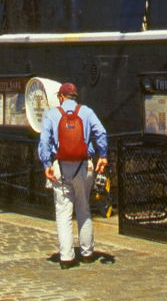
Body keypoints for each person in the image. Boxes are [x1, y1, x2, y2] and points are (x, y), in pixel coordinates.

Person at [38, 82, 108, 268]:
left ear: (61, 97)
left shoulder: (52, 114)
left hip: (60, 166)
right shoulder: (86, 112)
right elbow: (101, 132)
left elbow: (44, 141)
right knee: (84, 209)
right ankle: (87, 253)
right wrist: (103, 155)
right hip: (84, 166)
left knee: (63, 213)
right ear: (76, 97)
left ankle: (66, 257)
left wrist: (46, 164)